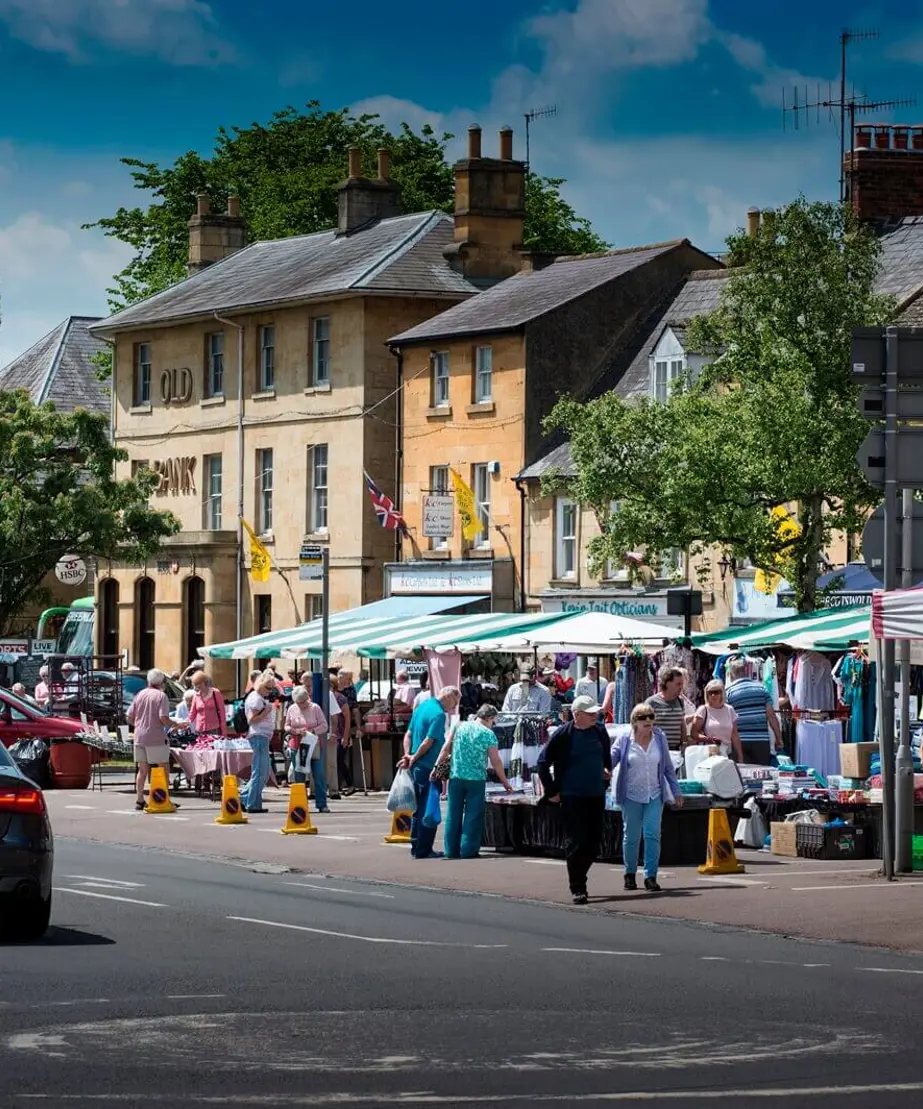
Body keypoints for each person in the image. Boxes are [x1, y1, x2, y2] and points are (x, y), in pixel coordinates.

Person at [537, 694, 612, 905]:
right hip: (572, 795)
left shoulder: (599, 731)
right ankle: (578, 886)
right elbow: (543, 762)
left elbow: (606, 757)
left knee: (594, 842)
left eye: (595, 713)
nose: (594, 716)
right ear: (577, 715)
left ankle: (581, 874)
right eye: (589, 714)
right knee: (576, 840)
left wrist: (607, 771)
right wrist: (551, 791)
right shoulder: (563, 734)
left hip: (596, 793)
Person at [611, 703, 683, 893]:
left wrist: (676, 791)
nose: (648, 721)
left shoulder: (660, 737)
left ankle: (650, 876)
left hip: (654, 793)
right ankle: (629, 873)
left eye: (651, 716)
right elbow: (611, 759)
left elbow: (667, 767)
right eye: (643, 718)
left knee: (652, 835)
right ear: (634, 721)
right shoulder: (625, 739)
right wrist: (601, 767)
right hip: (631, 794)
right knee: (631, 836)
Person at [435, 704, 512, 859]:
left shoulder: (458, 726)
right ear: (489, 718)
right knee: (473, 815)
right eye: (494, 721)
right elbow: (495, 761)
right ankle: (468, 850)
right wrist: (505, 781)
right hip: (476, 779)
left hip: (456, 777)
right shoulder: (488, 734)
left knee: (453, 814)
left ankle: (451, 850)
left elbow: (445, 748)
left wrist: (436, 767)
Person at [398, 685, 461, 860]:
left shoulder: (421, 707)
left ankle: (416, 846)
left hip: (417, 767)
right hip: (428, 767)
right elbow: (429, 741)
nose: (453, 707)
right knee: (429, 808)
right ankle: (424, 849)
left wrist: (408, 754)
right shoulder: (439, 714)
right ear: (448, 696)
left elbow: (408, 734)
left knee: (418, 809)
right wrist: (415, 757)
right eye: (455, 702)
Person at [127, 668, 173, 811]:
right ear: (162, 682)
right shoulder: (161, 696)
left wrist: (139, 725)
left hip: (139, 736)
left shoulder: (140, 695)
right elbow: (163, 718)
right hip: (156, 736)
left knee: (142, 770)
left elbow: (129, 716)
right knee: (163, 768)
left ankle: (139, 799)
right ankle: (163, 798)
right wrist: (175, 724)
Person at [725, 657, 783, 765]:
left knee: (743, 776)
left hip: (740, 742)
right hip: (761, 741)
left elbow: (727, 720)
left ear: (731, 674)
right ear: (746, 671)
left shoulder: (729, 692)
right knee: (762, 775)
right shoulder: (762, 688)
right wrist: (779, 739)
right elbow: (771, 716)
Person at [239, 671, 277, 814]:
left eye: (271, 688)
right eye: (268, 688)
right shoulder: (256, 699)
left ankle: (245, 797)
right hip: (259, 735)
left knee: (263, 771)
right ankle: (253, 803)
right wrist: (266, 712)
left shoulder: (258, 697)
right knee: (260, 772)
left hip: (262, 736)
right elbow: (251, 720)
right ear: (260, 685)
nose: (269, 691)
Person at [285, 686, 327, 798]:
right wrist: (295, 730)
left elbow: (324, 726)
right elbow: (286, 726)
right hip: (296, 746)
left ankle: (322, 804)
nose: (301, 705)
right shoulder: (291, 708)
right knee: (299, 778)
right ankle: (301, 805)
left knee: (319, 775)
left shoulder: (315, 708)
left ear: (307, 698)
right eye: (298, 703)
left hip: (313, 746)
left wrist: (312, 730)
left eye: (303, 702)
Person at [691, 680, 744, 761]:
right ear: (706, 694)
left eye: (716, 692)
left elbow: (735, 735)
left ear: (722, 693)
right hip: (709, 755)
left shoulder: (730, 710)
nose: (713, 695)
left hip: (727, 755)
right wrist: (708, 739)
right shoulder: (703, 710)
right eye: (710, 692)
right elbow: (694, 733)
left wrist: (740, 756)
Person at [645, 667, 688, 751]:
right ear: (668, 683)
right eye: (678, 684)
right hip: (657, 749)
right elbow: (644, 726)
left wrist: (684, 743)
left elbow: (682, 724)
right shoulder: (651, 702)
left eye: (682, 684)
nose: (681, 687)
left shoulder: (680, 701)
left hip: (675, 750)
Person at [188, 671, 227, 735]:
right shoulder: (196, 696)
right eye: (195, 684)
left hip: (213, 729)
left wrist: (224, 731)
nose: (197, 686)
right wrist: (185, 724)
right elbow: (192, 714)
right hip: (199, 730)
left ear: (205, 682)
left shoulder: (216, 693)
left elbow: (222, 713)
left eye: (198, 683)